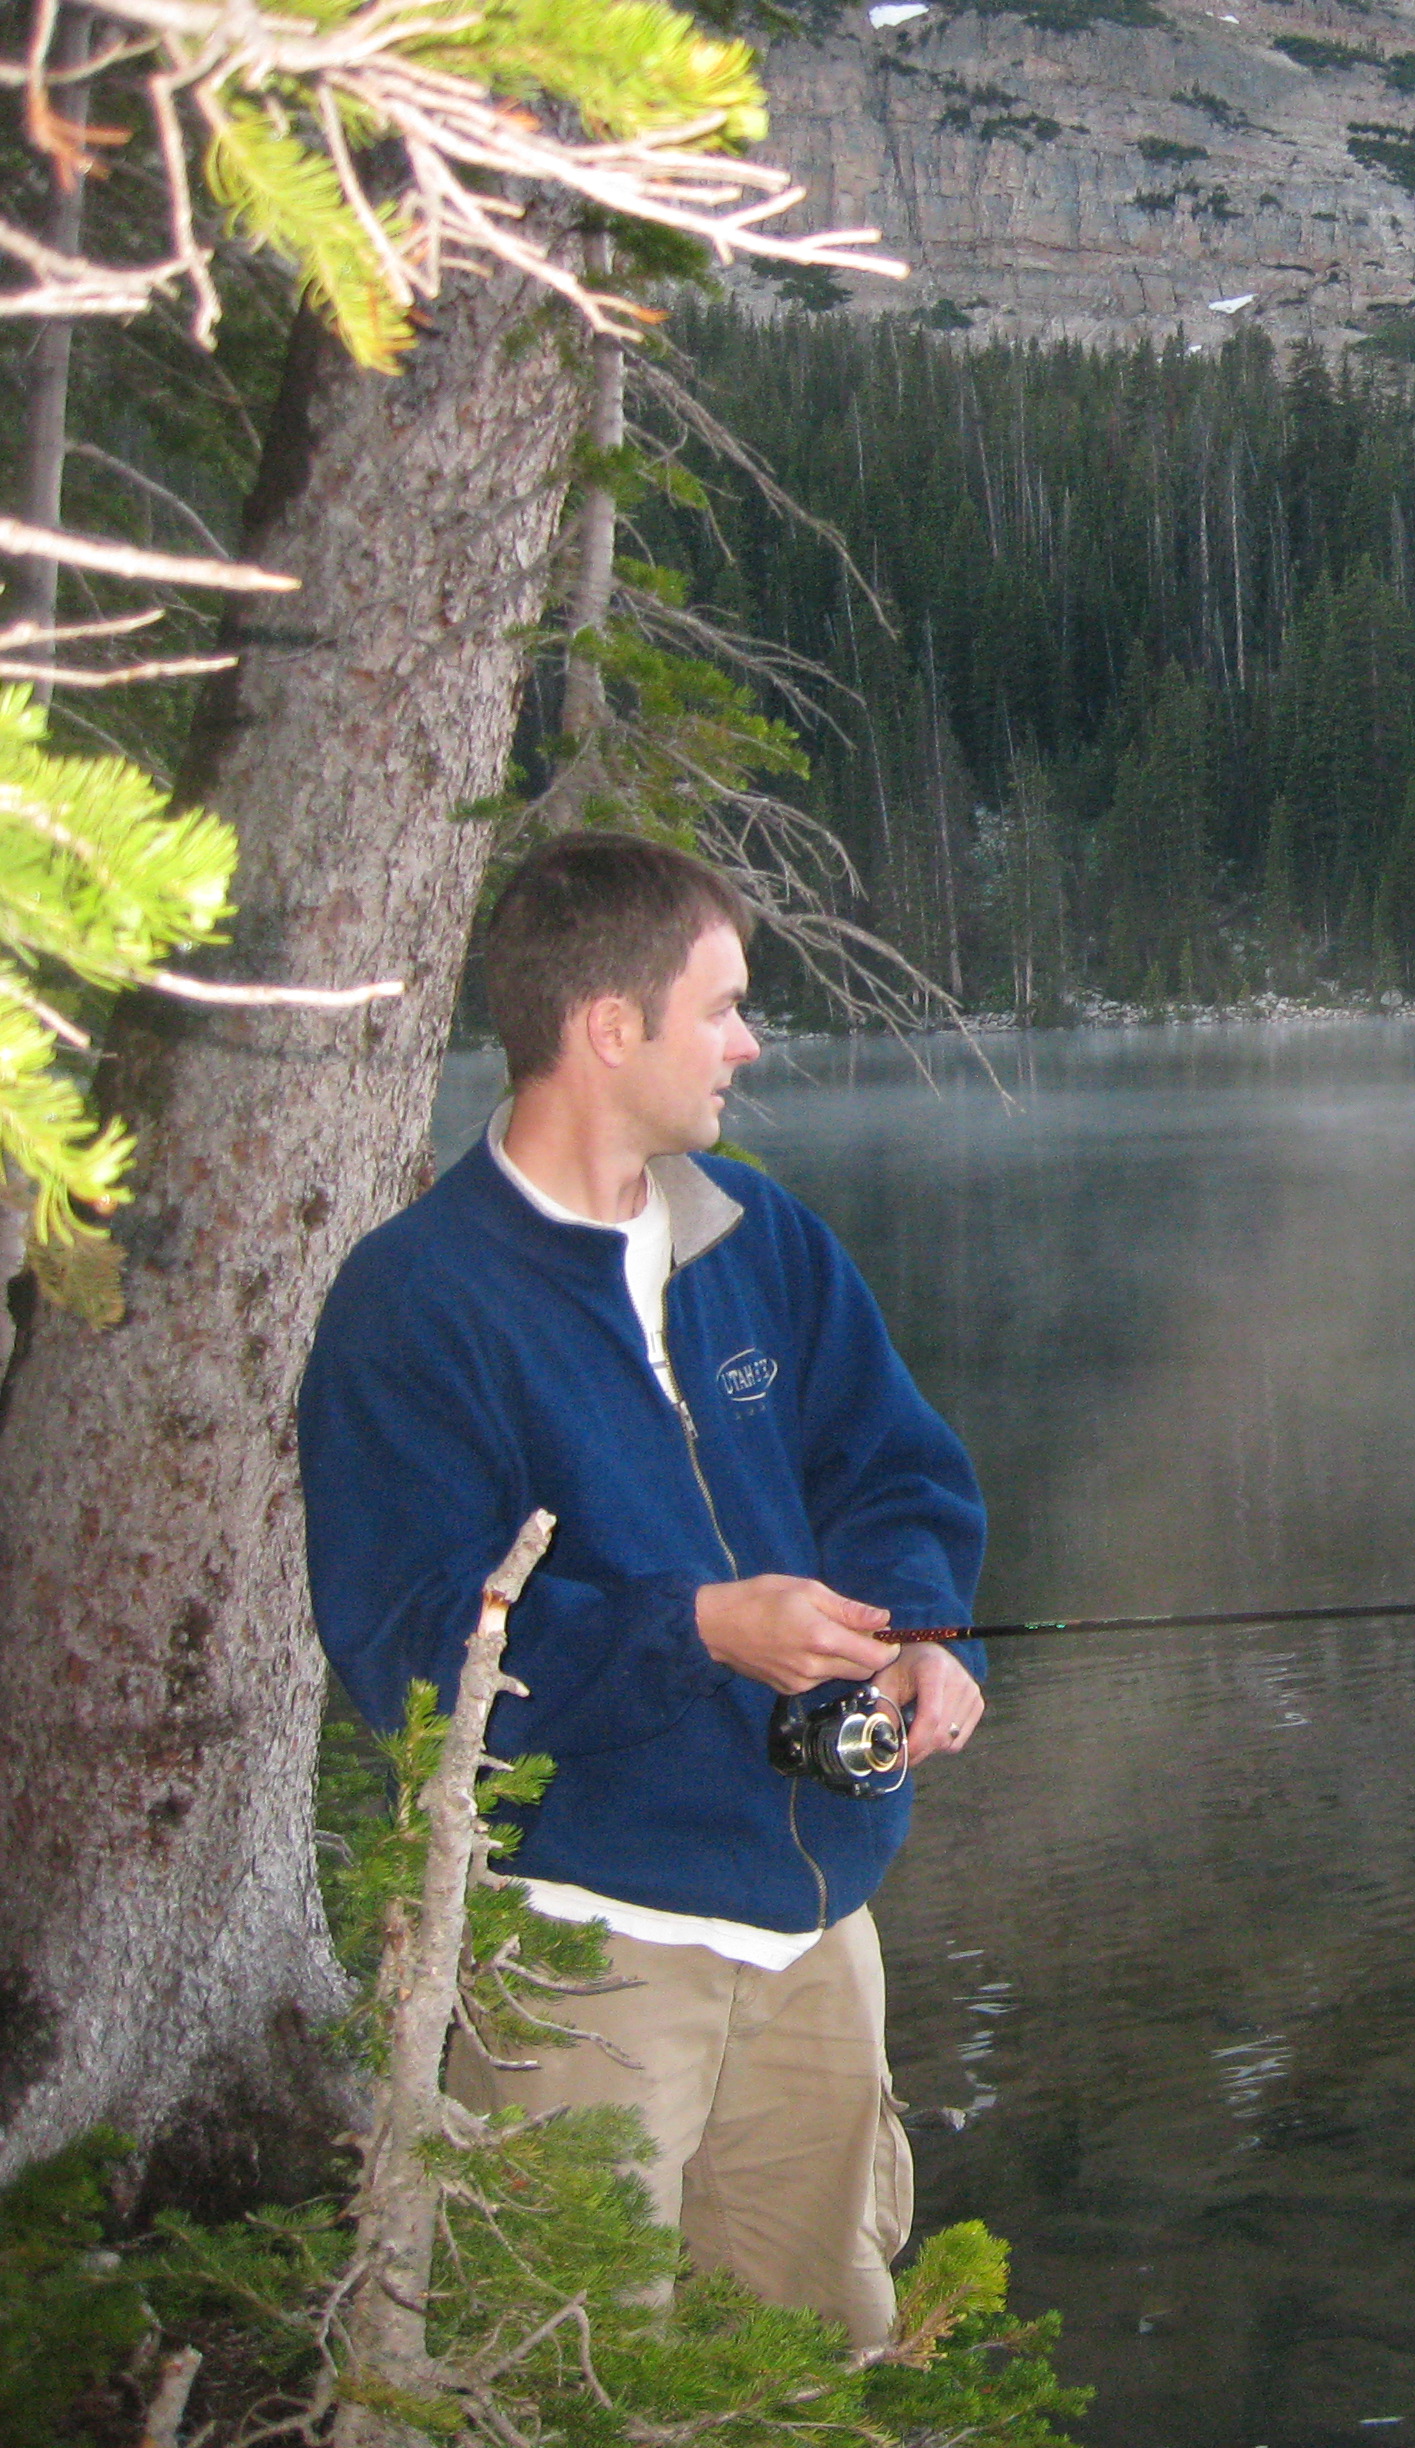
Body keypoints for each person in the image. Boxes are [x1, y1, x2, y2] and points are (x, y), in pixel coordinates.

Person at [299, 831, 989, 2349]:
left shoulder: (763, 1242)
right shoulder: (414, 1306)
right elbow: (415, 1659)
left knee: (814, 2367)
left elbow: (896, 1477)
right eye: (725, 1005)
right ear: (611, 1029)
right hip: (582, 1949)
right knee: (566, 2373)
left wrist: (918, 1640)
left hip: (819, 1937)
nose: (749, 1040)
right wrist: (693, 1634)